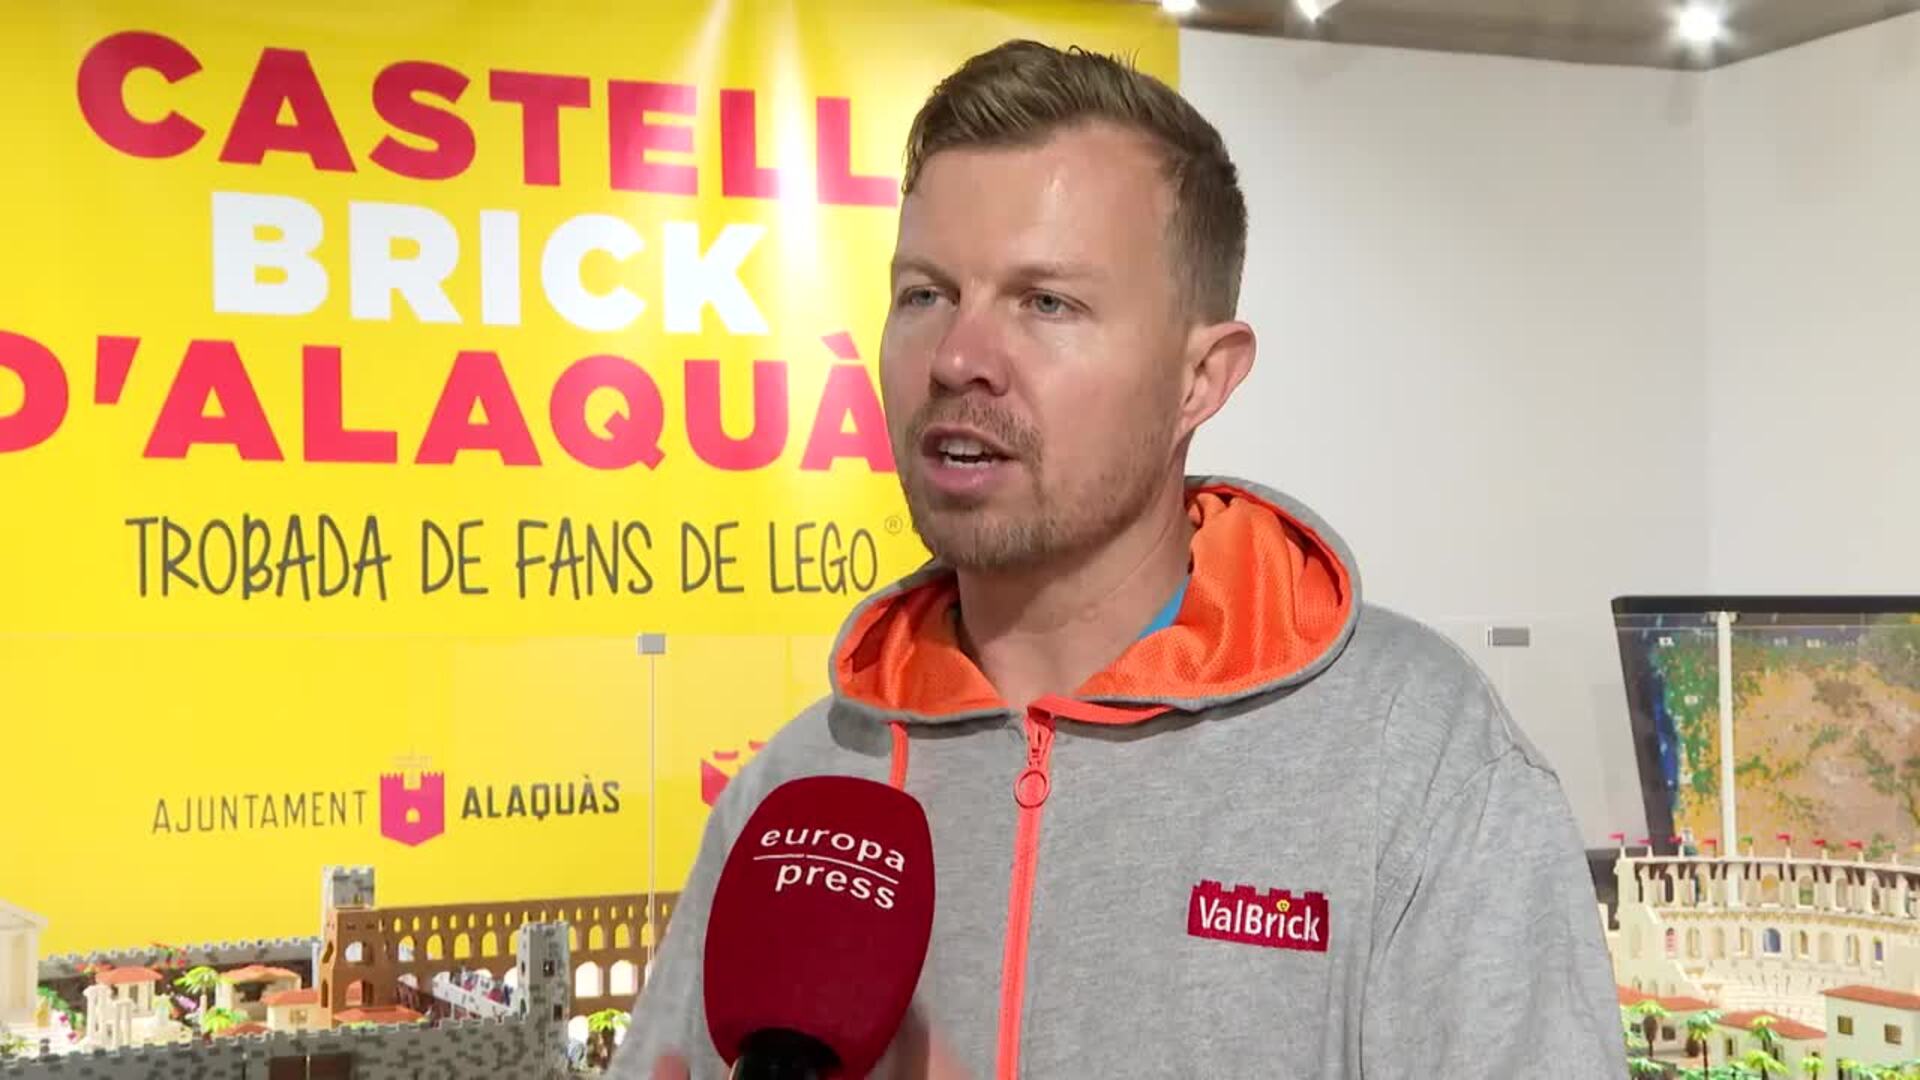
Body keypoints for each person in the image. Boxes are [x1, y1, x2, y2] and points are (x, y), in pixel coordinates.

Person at [613, 39, 1624, 1079]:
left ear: (1201, 379)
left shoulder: (1415, 762)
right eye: (925, 294)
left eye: (1045, 302)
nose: (958, 358)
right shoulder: (799, 790)